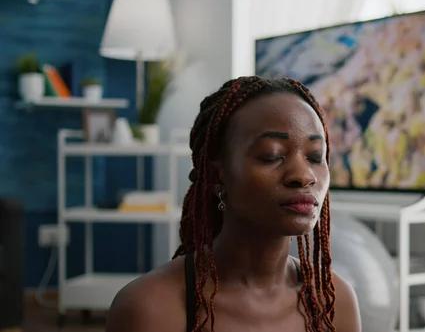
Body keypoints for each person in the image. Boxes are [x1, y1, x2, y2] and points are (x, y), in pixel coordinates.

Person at [105, 76, 361, 332]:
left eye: (316, 156)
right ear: (218, 176)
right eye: (272, 155)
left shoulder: (334, 303)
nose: (304, 176)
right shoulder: (149, 309)